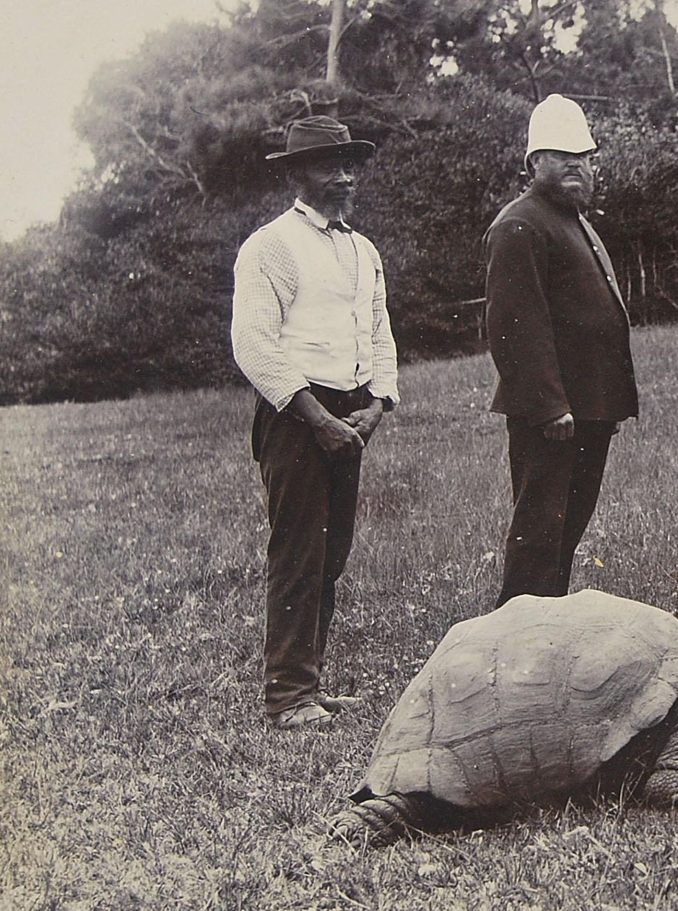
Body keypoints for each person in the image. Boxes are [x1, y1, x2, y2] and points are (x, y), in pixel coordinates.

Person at [231, 116, 399, 730]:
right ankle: (287, 696)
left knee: (332, 555)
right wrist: (316, 416)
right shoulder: (270, 246)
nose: (345, 175)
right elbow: (253, 344)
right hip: (296, 416)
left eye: (351, 163)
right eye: (331, 164)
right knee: (298, 552)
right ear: (297, 173)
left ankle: (311, 683)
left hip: (352, 413)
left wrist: (378, 403)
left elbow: (378, 331)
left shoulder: (362, 249)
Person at [484, 94, 638, 608]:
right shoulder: (520, 224)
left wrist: (604, 406)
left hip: (589, 409)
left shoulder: (574, 221)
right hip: (552, 414)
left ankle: (544, 628)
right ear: (534, 163)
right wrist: (550, 405)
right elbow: (514, 327)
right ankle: (515, 640)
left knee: (565, 530)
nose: (577, 164)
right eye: (560, 154)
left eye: (585, 156)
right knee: (538, 532)